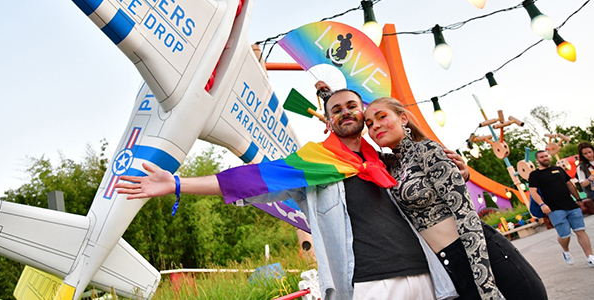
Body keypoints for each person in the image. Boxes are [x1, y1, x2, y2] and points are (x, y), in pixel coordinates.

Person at [116, 88, 464, 300]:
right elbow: (247, 179)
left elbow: (438, 186)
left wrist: (458, 169)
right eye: (336, 110)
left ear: (365, 114)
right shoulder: (313, 163)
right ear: (328, 122)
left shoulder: (390, 162)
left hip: (426, 274)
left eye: (352, 106)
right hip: (368, 285)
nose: (345, 112)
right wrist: (177, 184)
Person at [364, 98, 547, 300]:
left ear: (404, 119)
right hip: (447, 268)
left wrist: (486, 286)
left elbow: (467, 217)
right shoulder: (390, 165)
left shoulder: (427, 150)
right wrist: (327, 97)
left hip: (481, 257)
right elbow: (352, 146)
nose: (376, 126)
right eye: (370, 124)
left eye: (382, 117)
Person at [529, 149, 594, 267]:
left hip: (571, 205)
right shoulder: (535, 175)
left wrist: (578, 200)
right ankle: (565, 250)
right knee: (565, 235)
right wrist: (542, 205)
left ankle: (590, 257)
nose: (545, 158)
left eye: (546, 156)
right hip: (554, 209)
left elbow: (569, 184)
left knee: (580, 230)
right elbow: (533, 192)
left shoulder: (558, 169)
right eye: (542, 157)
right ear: (537, 160)